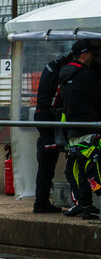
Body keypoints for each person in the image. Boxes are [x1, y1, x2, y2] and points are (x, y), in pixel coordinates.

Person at [58, 40, 101, 220]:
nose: (92, 56)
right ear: (84, 55)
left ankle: (86, 206)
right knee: (93, 168)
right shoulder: (85, 75)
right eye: (90, 53)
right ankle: (91, 204)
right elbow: (98, 100)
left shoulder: (64, 73)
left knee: (78, 170)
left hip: (73, 132)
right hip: (89, 129)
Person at [32, 51, 71, 213]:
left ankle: (41, 200)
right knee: (47, 164)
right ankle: (40, 202)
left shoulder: (50, 67)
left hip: (42, 117)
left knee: (45, 162)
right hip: (48, 120)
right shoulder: (60, 72)